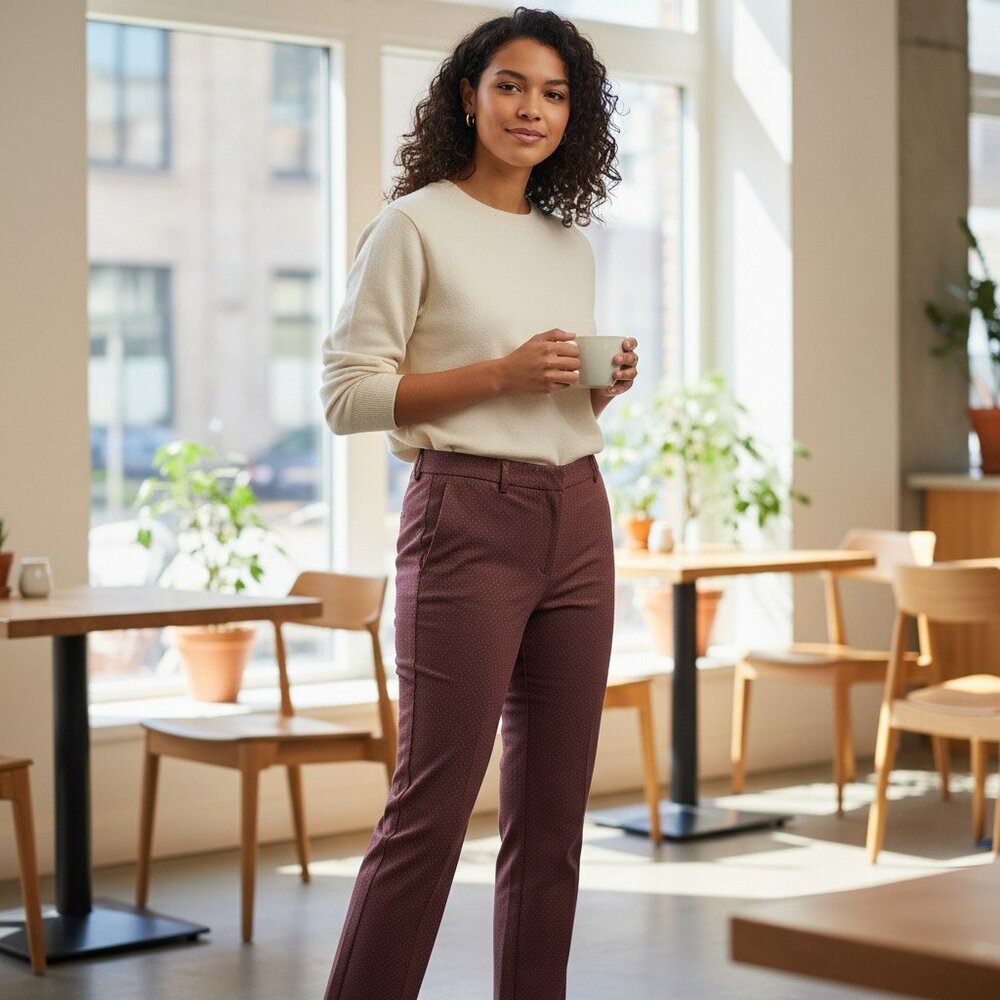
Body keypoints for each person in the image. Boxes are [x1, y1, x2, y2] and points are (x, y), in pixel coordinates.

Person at [319, 8, 638, 998]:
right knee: (430, 809)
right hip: (464, 516)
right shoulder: (412, 224)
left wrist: (597, 388)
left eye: (552, 94)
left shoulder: (568, 242)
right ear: (468, 94)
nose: (529, 110)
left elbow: (547, 400)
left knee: (552, 822)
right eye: (509, 85)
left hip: (576, 515)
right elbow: (347, 396)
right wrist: (498, 372)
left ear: (571, 116)